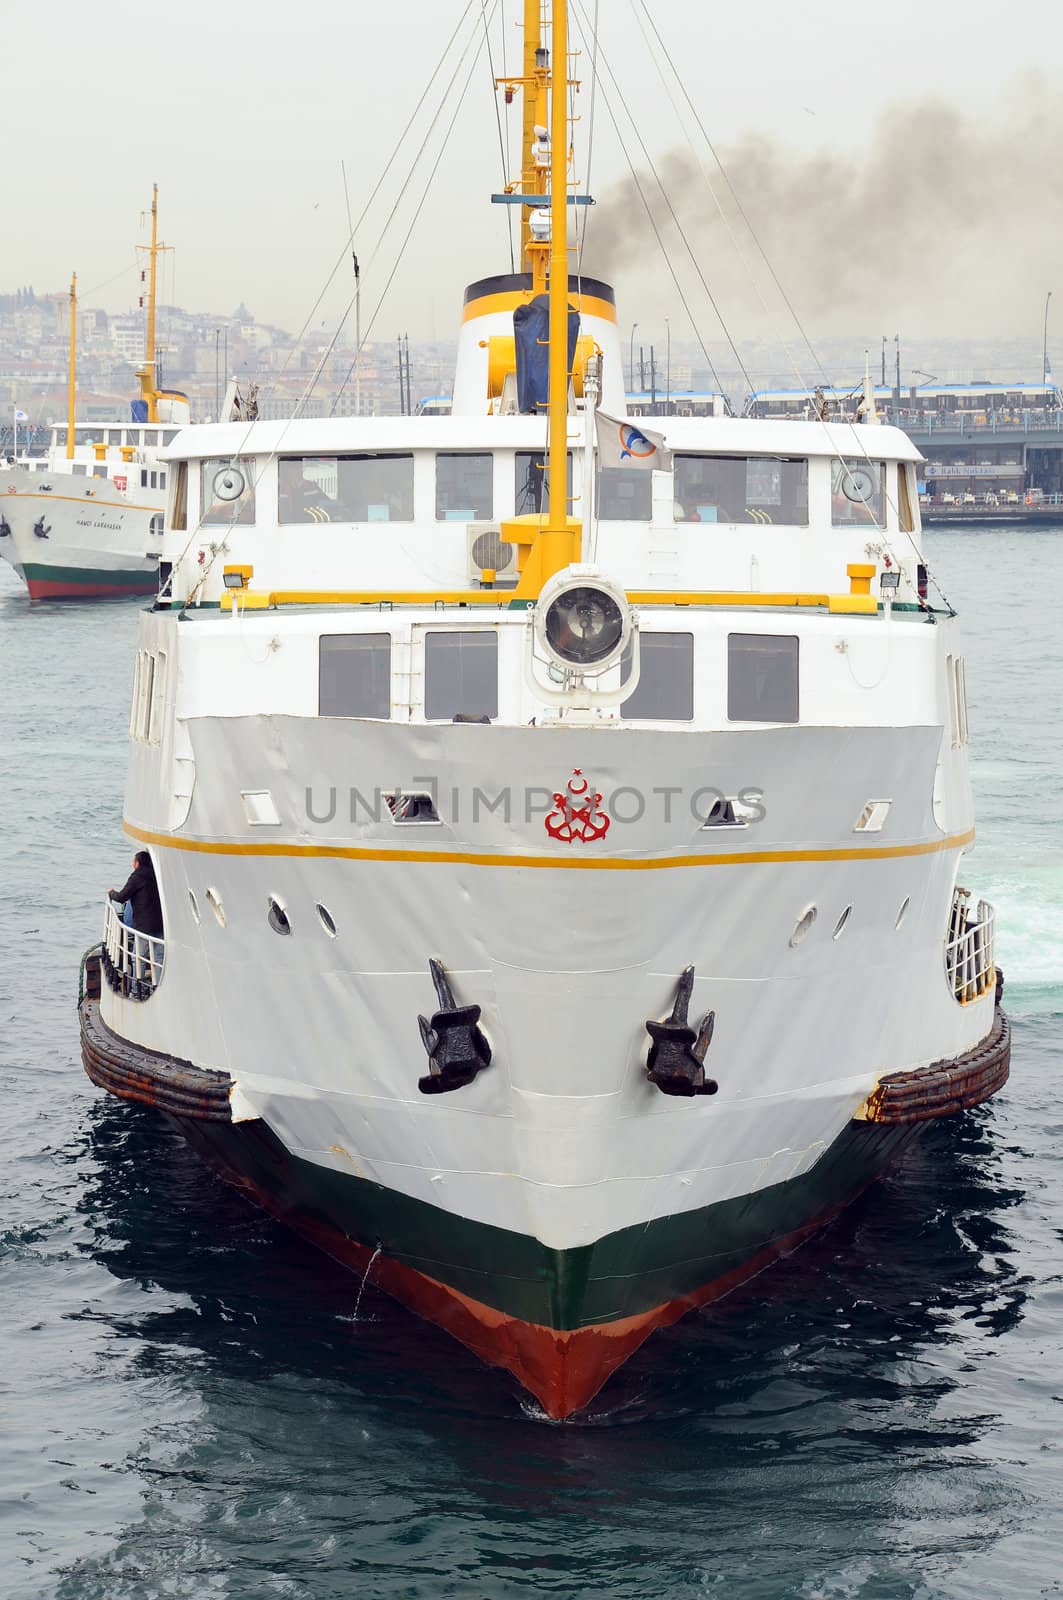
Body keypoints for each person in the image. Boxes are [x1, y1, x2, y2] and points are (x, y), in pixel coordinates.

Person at [109, 851, 164, 987]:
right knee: (158, 959)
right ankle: (157, 986)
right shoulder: (157, 875)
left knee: (137, 958)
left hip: (144, 926)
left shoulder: (137, 876)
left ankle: (135, 989)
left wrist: (111, 893)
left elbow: (122, 897)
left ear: (137, 863)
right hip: (159, 924)